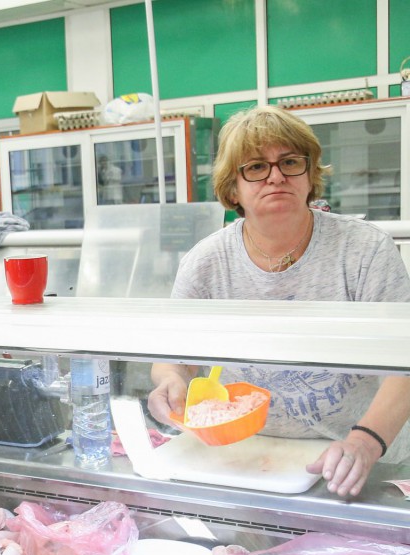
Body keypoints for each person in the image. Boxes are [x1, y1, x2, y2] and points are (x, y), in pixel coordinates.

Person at [149, 105, 410, 498]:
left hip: (361, 456)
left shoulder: (364, 250)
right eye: (256, 167)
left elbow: (404, 364)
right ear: (232, 188)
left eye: (290, 162)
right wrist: (171, 382)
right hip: (248, 458)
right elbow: (171, 359)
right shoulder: (205, 262)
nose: (276, 176)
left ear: (310, 175)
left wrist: (365, 441)